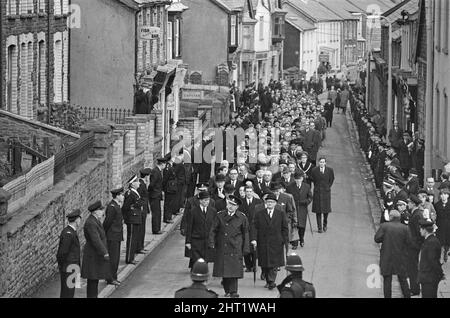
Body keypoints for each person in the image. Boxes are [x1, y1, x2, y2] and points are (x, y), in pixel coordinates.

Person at [209, 195, 250, 298]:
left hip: (235, 247)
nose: (230, 206)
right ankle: (227, 290)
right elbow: (213, 230)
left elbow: (245, 233)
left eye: (233, 205)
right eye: (229, 204)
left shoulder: (242, 217)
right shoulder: (220, 215)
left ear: (237, 207)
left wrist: (246, 248)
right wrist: (211, 242)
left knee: (234, 271)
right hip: (223, 246)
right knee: (225, 271)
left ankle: (233, 291)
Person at [251, 193, 289, 290]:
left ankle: (271, 281)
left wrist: (284, 240)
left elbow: (285, 228)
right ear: (265, 202)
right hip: (263, 242)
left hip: (276, 242)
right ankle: (268, 280)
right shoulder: (260, 214)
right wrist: (254, 239)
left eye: (272, 202)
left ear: (275, 203)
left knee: (274, 263)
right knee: (265, 263)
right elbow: (254, 227)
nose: (270, 204)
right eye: (268, 202)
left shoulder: (280, 214)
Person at [374, 210, 411, 298]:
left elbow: (377, 239)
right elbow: (409, 242)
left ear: (391, 217)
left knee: (387, 280)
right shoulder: (405, 228)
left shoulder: (385, 226)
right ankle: (407, 296)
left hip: (387, 256)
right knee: (402, 279)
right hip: (400, 257)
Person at [81, 201, 110, 298]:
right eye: (101, 210)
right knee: (93, 280)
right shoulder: (91, 223)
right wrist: (104, 252)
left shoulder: (95, 220)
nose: (102, 212)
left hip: (94, 255)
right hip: (92, 256)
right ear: (95, 212)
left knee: (95, 279)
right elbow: (96, 240)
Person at [185, 191, 217, 268]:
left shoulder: (213, 211)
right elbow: (189, 227)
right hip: (196, 240)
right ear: (200, 200)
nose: (207, 202)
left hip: (207, 241)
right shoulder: (193, 211)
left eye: (208, 200)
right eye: (205, 200)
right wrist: (188, 242)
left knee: (205, 261)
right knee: (197, 261)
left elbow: (215, 227)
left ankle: (203, 276)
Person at [56, 209, 81, 298]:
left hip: (72, 267)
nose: (80, 221)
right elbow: (62, 253)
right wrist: (63, 266)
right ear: (77, 220)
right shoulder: (68, 233)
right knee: (68, 293)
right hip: (70, 267)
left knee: (70, 291)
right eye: (79, 219)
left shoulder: (70, 231)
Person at [103, 187, 125, 286]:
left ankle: (113, 276)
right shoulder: (112, 207)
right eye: (121, 195)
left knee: (115, 258)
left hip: (116, 235)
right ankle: (110, 278)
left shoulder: (116, 205)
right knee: (113, 258)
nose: (123, 196)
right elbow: (107, 222)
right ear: (117, 196)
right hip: (112, 236)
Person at [418, 219, 444, 298]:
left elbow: (433, 261)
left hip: (429, 278)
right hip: (427, 277)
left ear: (425, 230)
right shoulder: (429, 240)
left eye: (421, 229)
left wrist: (440, 273)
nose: (420, 231)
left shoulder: (431, 242)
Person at [286, 171, 313, 248]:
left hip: (302, 209)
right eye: (296, 179)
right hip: (293, 209)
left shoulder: (307, 186)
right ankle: (295, 243)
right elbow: (287, 198)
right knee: (294, 225)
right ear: (294, 179)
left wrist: (305, 202)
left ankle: (301, 238)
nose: (298, 180)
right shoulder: (289, 187)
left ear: (302, 178)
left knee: (302, 226)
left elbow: (310, 197)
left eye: (300, 179)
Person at [240, 186, 263, 272]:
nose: (249, 193)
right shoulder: (241, 202)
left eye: (250, 191)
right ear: (245, 192)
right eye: (247, 191)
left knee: (254, 246)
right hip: (245, 227)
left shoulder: (258, 202)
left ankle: (254, 265)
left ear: (253, 192)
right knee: (245, 247)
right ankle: (248, 266)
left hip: (255, 227)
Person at [122, 176, 143, 265]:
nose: (139, 183)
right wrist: (127, 218)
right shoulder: (130, 194)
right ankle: (129, 258)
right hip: (132, 218)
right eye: (137, 182)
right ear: (133, 184)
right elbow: (125, 207)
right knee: (131, 239)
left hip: (136, 217)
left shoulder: (135, 192)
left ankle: (132, 257)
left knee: (135, 238)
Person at [407, 195, 425, 296]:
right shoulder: (415, 213)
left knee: (413, 267)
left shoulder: (417, 215)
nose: (408, 204)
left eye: (409, 202)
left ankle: (415, 289)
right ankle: (414, 288)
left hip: (414, 246)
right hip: (413, 245)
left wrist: (416, 243)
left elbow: (419, 232)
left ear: (413, 204)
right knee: (411, 267)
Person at [310, 157, 335, 233]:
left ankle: (325, 224)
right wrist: (317, 187)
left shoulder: (330, 170)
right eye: (320, 162)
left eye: (323, 162)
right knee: (318, 211)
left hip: (326, 192)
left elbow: (332, 179)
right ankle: (319, 227)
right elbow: (313, 179)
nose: (322, 163)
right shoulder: (314, 170)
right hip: (317, 192)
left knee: (326, 210)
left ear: (325, 163)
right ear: (318, 162)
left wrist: (327, 187)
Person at [149, 157, 167, 234]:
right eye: (165, 164)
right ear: (162, 164)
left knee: (158, 212)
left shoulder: (158, 171)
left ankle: (158, 228)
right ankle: (156, 229)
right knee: (156, 213)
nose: (165, 166)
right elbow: (152, 184)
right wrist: (152, 192)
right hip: (154, 195)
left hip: (157, 194)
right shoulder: (155, 172)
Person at [137, 168, 151, 251]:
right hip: (142, 210)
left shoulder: (143, 184)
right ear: (146, 176)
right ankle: (139, 247)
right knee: (141, 229)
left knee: (142, 229)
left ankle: (141, 246)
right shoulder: (141, 185)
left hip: (144, 209)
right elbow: (141, 198)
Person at [435, 188, 450, 262]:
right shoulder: (437, 205)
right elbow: (435, 216)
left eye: (445, 194)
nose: (443, 196)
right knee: (440, 241)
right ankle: (440, 256)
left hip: (448, 226)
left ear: (448, 195)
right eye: (442, 194)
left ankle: (446, 253)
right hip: (440, 225)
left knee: (447, 241)